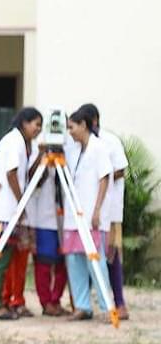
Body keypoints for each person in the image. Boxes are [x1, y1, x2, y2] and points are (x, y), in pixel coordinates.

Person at [0, 107, 42, 320]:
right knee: (0, 259)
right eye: (36, 124)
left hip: (5, 210)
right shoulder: (15, 142)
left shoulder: (18, 142)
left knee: (3, 259)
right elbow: (11, 173)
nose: (38, 129)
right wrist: (21, 201)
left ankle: (0, 303)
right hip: (3, 211)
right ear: (24, 122)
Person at [62, 107, 114, 321]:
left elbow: (104, 178)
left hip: (91, 215)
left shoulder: (99, 148)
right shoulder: (74, 149)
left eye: (72, 127)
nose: (70, 132)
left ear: (83, 125)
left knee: (96, 262)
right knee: (74, 261)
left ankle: (106, 306)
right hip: (73, 215)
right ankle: (82, 306)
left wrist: (97, 210)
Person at [79, 103, 129, 320]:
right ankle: (88, 304)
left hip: (110, 209)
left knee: (111, 255)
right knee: (90, 256)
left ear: (93, 121)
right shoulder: (81, 144)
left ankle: (119, 303)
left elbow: (120, 170)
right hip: (88, 210)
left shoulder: (109, 141)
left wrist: (102, 176)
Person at [28, 135, 69, 317]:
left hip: (65, 219)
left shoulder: (69, 152)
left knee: (62, 263)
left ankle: (56, 300)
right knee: (44, 264)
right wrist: (43, 154)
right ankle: (46, 302)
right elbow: (33, 179)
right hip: (44, 220)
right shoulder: (39, 152)